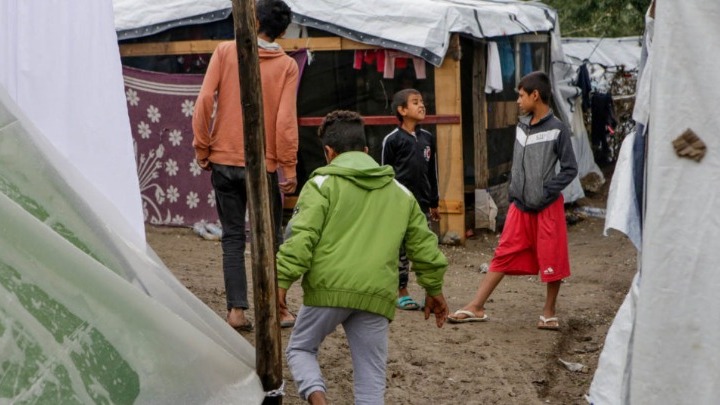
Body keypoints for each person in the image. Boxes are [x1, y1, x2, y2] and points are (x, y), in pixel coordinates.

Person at [277, 110, 449, 404]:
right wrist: (434, 289)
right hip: (377, 294)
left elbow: (301, 237)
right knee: (371, 381)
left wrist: (282, 281)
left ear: (329, 152)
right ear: (367, 151)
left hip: (328, 289)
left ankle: (319, 401)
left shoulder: (320, 184)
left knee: (300, 349)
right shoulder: (401, 193)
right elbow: (424, 246)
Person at [192, 0, 298, 332]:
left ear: (254, 20)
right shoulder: (287, 66)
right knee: (271, 239)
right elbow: (285, 120)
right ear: (282, 31)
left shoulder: (225, 51)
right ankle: (278, 307)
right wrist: (289, 166)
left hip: (223, 161)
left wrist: (202, 146)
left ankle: (236, 311)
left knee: (233, 237)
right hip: (263, 165)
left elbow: (204, 100)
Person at [448, 71, 578, 331]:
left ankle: (548, 312)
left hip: (547, 206)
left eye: (521, 96)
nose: (518, 101)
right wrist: (514, 191)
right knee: (503, 253)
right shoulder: (521, 126)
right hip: (520, 206)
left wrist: (545, 191)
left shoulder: (558, 129)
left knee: (552, 257)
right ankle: (476, 306)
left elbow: (570, 169)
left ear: (535, 95)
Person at [381, 88, 440, 311]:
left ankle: (430, 293)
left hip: (422, 205)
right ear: (402, 110)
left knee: (425, 248)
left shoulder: (427, 138)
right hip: (398, 206)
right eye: (415, 102)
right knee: (400, 251)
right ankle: (402, 292)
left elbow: (432, 172)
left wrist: (434, 202)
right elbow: (385, 175)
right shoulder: (392, 140)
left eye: (422, 101)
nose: (422, 105)